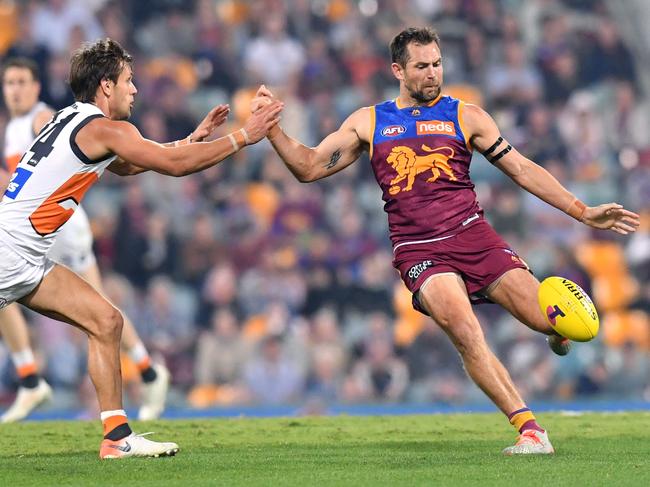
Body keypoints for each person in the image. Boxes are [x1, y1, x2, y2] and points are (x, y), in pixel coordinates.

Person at [252, 27, 640, 455]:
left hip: (475, 236)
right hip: (419, 249)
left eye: (437, 64)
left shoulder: (466, 115)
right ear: (398, 70)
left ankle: (552, 331)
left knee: (544, 318)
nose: (433, 74)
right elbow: (308, 168)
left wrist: (581, 210)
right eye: (422, 67)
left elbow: (523, 169)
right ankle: (531, 431)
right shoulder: (369, 121)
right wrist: (272, 131)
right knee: (465, 330)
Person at [0, 38, 282, 459]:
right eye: (129, 81)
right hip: (9, 255)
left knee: (106, 321)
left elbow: (132, 163)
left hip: (23, 255)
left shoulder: (72, 120)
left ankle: (116, 438)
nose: (135, 90)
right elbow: (172, 166)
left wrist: (191, 138)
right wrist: (245, 136)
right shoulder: (103, 127)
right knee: (105, 320)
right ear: (106, 86)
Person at [0, 57, 177, 424]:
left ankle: (144, 371)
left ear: (35, 88)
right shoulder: (13, 129)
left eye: (21, 82)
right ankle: (35, 376)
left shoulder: (42, 117)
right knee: (92, 311)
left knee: (97, 309)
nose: (14, 90)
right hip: (35, 230)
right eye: (9, 83)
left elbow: (80, 155)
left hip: (60, 228)